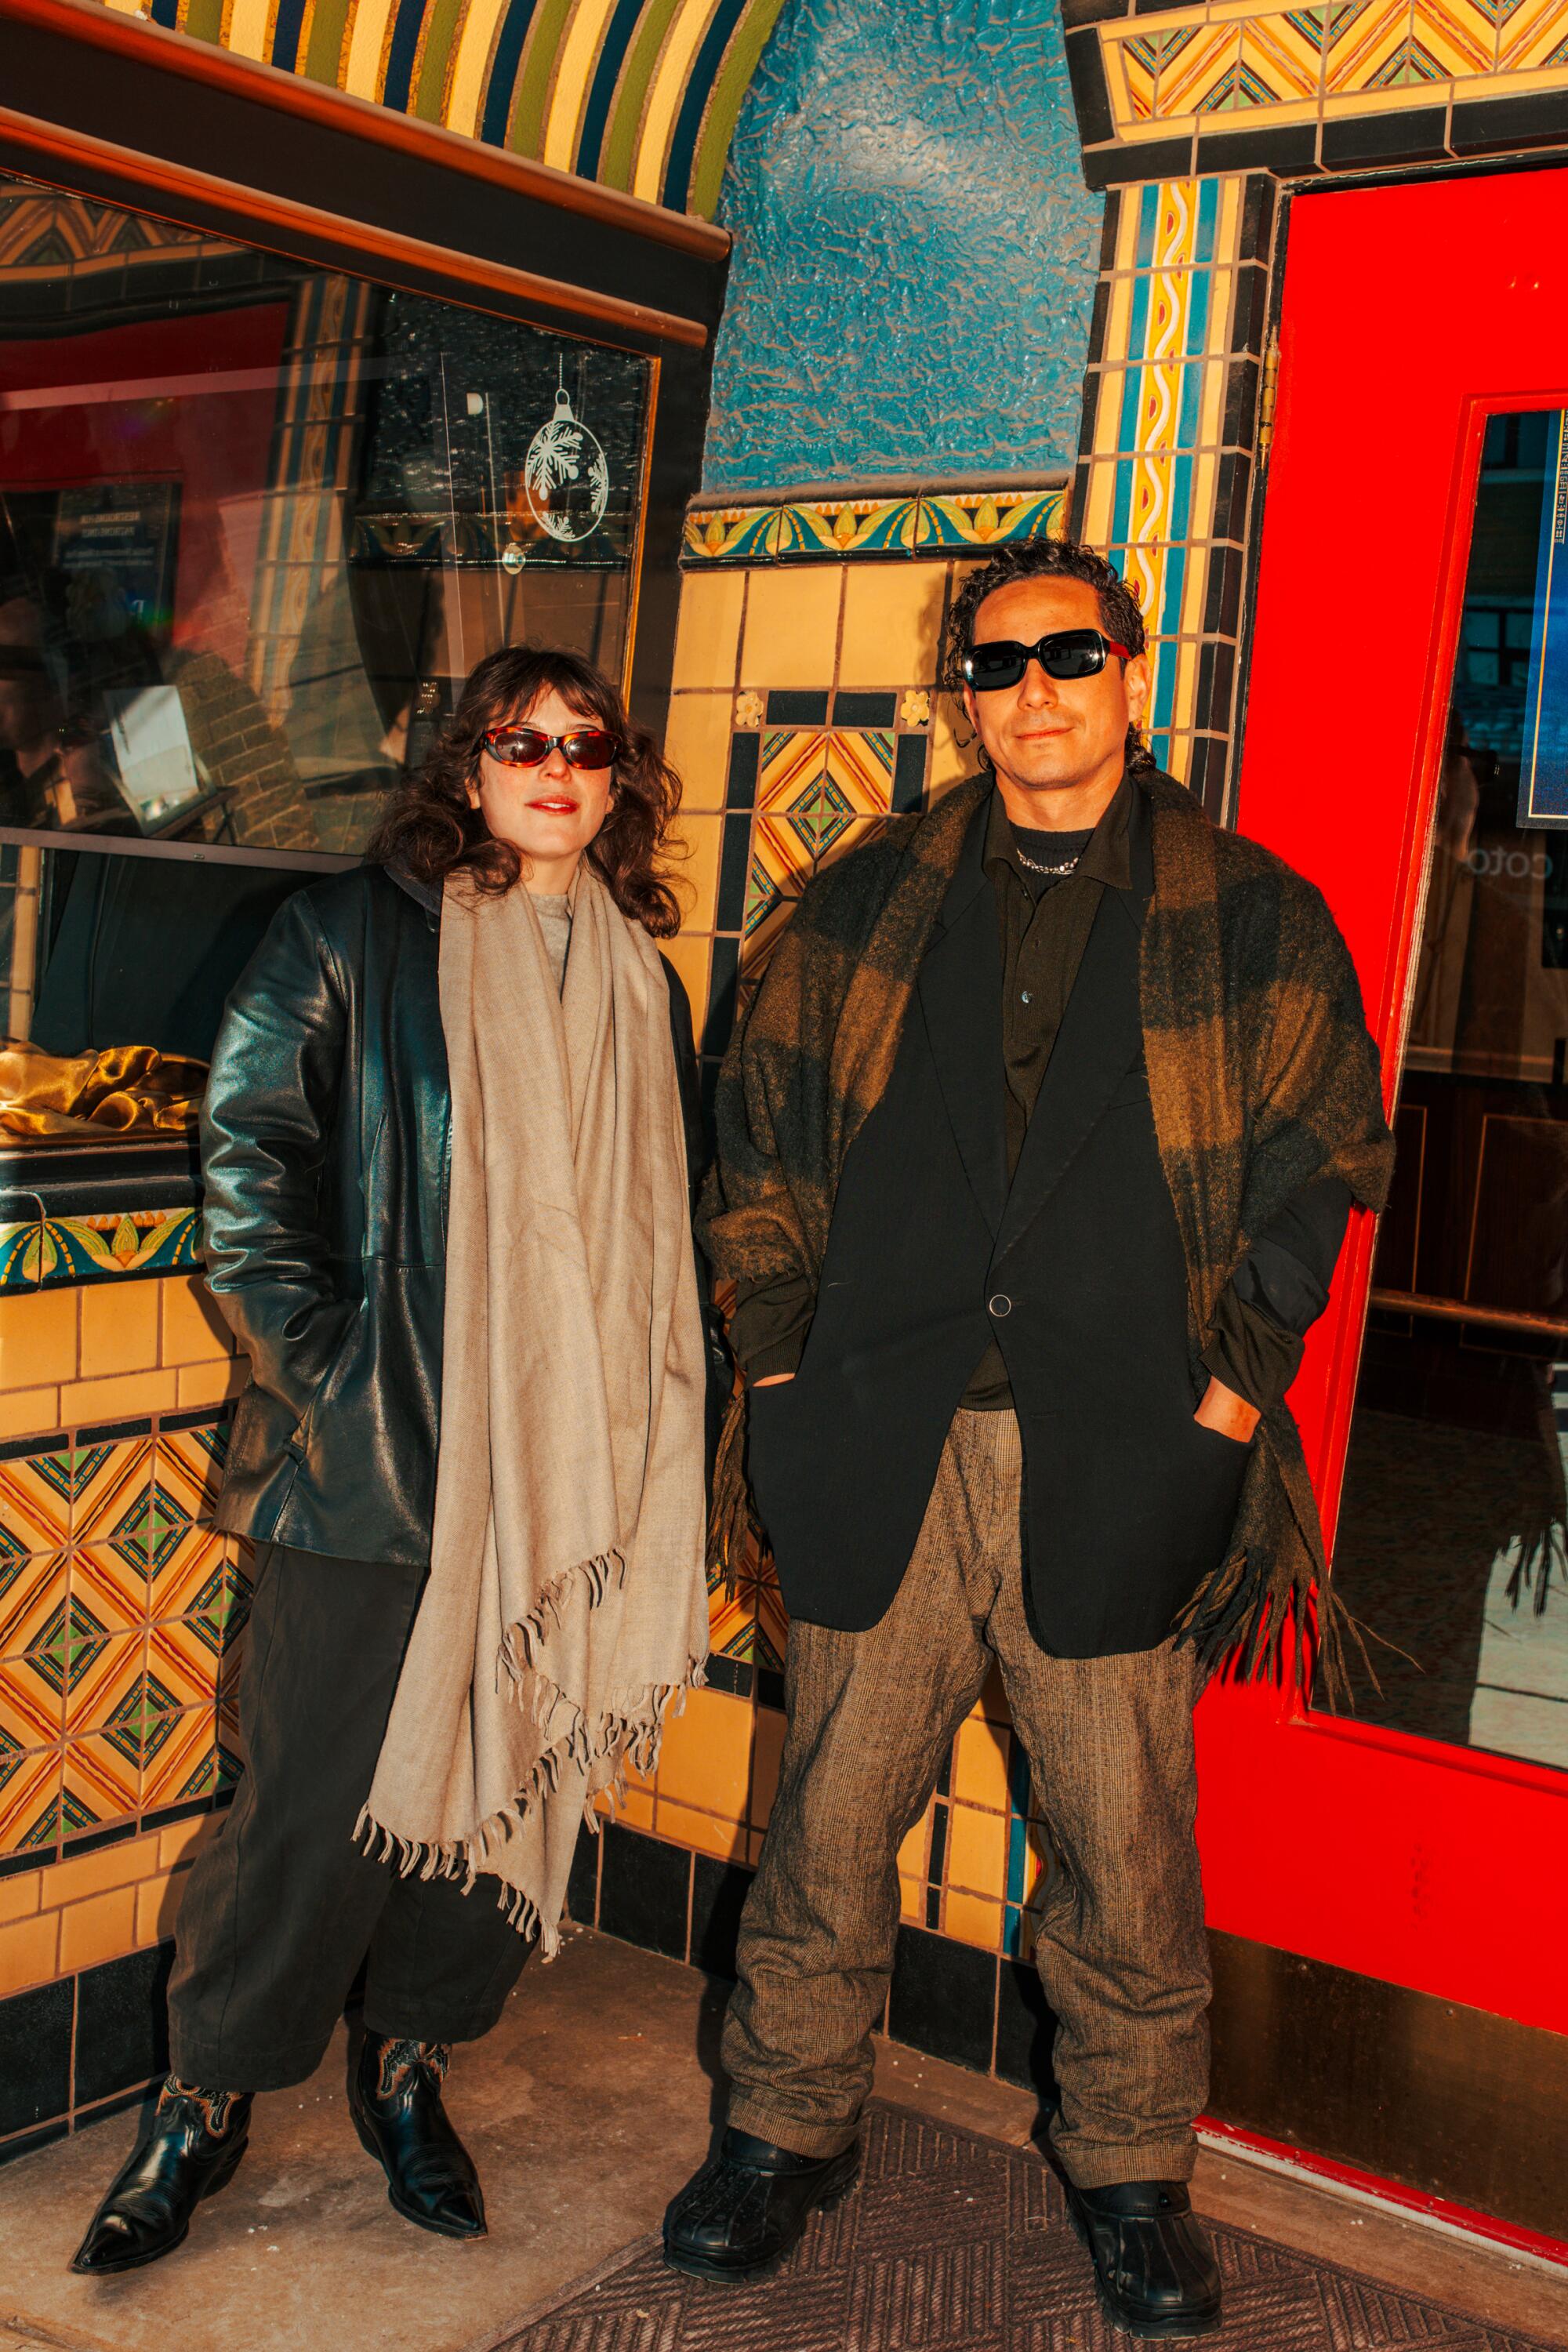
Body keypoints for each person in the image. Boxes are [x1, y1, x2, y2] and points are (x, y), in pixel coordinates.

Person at [662, 539, 1394, 2337]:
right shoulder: (855, 909)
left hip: (1125, 1444)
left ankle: (1134, 2170)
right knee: (827, 1820)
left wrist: (1225, 1405)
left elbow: (1321, 1168)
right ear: (959, 693)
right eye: (998, 665)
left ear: (1131, 671)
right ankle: (779, 2130)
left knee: (1124, 1846)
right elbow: (751, 1165)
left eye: (1071, 653)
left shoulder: (1250, 913)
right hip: (874, 1437)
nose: (1036, 690)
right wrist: (775, 1376)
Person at [73, 645, 713, 2274]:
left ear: (619, 776)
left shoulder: (646, 980)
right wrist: (336, 1374)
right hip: (370, 1473)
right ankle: (203, 2099)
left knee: (513, 1777)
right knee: (302, 1809)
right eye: (522, 741)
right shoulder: (346, 938)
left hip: (571, 1481)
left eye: (588, 745)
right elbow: (248, 1165)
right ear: (464, 764)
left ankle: (409, 2059)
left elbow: (659, 1234)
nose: (557, 769)